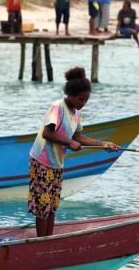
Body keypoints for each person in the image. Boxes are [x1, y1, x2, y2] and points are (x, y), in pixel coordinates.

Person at [28, 67, 120, 237]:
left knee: (53, 204)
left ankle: (49, 239)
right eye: (81, 99)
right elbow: (47, 133)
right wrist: (69, 142)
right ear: (70, 95)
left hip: (57, 163)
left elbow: (78, 136)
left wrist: (102, 144)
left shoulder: (76, 113)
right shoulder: (58, 107)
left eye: (86, 100)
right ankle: (41, 242)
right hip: (42, 161)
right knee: (43, 205)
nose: (83, 103)